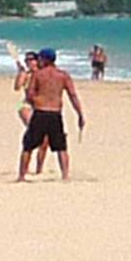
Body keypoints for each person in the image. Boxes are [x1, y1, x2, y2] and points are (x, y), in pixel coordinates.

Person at [15, 48, 84, 181]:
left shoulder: (38, 75)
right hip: (55, 114)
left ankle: (21, 176)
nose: (38, 61)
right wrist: (80, 114)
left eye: (40, 59)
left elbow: (30, 94)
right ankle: (65, 176)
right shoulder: (63, 75)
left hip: (40, 112)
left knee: (28, 145)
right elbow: (73, 96)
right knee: (61, 147)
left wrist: (37, 101)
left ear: (45, 60)